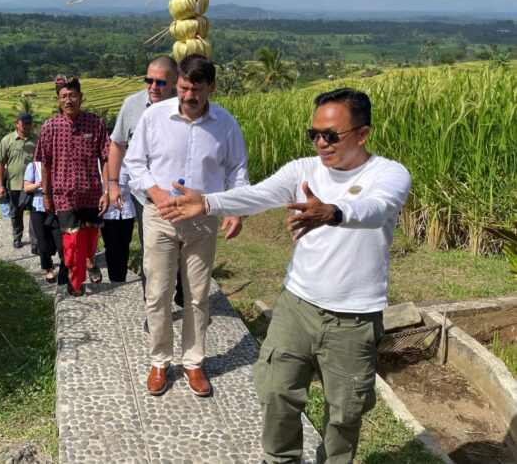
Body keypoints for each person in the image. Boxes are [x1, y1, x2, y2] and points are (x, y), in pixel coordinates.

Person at [157, 88, 411, 463]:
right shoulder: (303, 170)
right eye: (314, 135)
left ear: (362, 134)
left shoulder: (388, 174)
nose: (321, 143)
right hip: (297, 306)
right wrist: (209, 202)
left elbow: (376, 207)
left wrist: (333, 212)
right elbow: (259, 196)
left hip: (354, 317)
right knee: (276, 392)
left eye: (331, 135)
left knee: (345, 411)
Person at [125, 54, 248, 397]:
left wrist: (234, 209)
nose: (188, 96)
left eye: (196, 89)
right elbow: (135, 163)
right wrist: (155, 190)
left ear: (211, 87)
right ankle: (160, 361)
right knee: (159, 292)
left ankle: (194, 362)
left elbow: (237, 170)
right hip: (160, 216)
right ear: (176, 83)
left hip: (202, 219)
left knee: (197, 295)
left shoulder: (226, 124)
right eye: (182, 88)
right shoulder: (154, 117)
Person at [108, 55, 187, 312]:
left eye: (160, 82)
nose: (153, 87)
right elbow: (118, 144)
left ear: (174, 82)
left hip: (182, 193)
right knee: (151, 250)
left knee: (184, 247)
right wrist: (112, 183)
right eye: (148, 80)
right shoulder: (132, 106)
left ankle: (183, 293)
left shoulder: (188, 105)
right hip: (146, 196)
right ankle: (153, 305)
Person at [35, 75, 110, 297]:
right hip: (63, 194)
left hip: (92, 193)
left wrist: (107, 190)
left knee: (89, 243)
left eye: (73, 96)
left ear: (81, 97)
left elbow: (105, 157)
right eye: (64, 97)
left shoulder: (96, 123)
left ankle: (84, 265)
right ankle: (75, 282)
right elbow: (45, 164)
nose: (69, 101)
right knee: (72, 241)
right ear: (58, 100)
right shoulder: (49, 127)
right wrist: (46, 195)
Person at [0, 111, 37, 250]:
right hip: (14, 185)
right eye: (25, 123)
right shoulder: (7, 140)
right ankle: (17, 237)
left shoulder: (36, 139)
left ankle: (35, 242)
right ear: (17, 123)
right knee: (16, 214)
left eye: (29, 123)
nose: (27, 125)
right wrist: (0, 185)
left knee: (34, 214)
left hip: (33, 186)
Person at [24, 161, 68, 285]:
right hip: (38, 209)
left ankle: (65, 271)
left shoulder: (58, 163)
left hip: (55, 209)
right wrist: (39, 184)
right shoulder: (32, 166)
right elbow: (26, 187)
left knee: (60, 241)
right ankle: (48, 269)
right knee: (42, 242)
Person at [100, 165, 136, 283]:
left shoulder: (128, 162)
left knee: (125, 245)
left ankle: (121, 277)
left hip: (127, 211)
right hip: (108, 212)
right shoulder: (101, 164)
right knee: (111, 246)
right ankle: (114, 278)